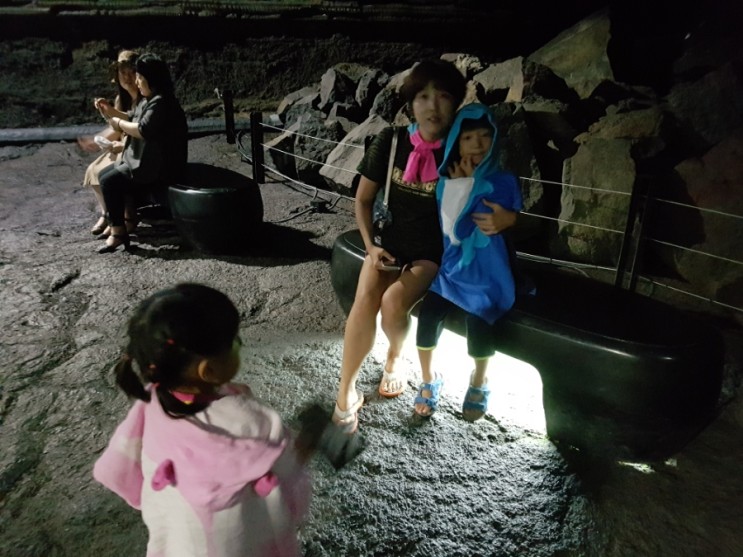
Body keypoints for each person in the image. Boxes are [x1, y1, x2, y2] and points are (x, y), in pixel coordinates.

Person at [332, 60, 517, 434]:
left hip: (434, 254)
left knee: (392, 303)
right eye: (423, 97)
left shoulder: (462, 148)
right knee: (365, 298)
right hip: (387, 243)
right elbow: (363, 200)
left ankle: (394, 358)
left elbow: (491, 193)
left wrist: (507, 218)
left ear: (456, 103)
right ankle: (345, 394)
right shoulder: (391, 142)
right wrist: (370, 247)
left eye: (444, 96)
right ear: (410, 104)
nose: (433, 106)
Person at [93, 283, 311, 557]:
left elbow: (120, 466)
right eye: (234, 340)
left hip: (183, 533)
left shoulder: (151, 401)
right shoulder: (252, 422)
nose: (240, 343)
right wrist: (310, 442)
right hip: (231, 541)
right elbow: (286, 467)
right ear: (208, 370)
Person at [414, 103, 523, 422]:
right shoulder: (444, 182)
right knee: (427, 317)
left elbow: (526, 225)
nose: (477, 144)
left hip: (489, 275)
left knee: (480, 320)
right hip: (452, 271)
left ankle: (479, 380)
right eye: (468, 137)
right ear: (456, 143)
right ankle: (429, 378)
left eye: (485, 136)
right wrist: (460, 188)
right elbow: (452, 230)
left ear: (495, 139)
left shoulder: (504, 181)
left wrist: (511, 219)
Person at [97, 52, 188, 253]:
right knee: (105, 175)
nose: (136, 82)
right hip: (150, 160)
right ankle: (121, 225)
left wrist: (118, 123)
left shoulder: (161, 103)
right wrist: (109, 112)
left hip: (161, 166)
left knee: (109, 181)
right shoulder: (150, 99)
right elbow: (132, 117)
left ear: (151, 79)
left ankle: (118, 232)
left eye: (139, 77)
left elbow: (142, 129)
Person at [77, 49, 141, 236]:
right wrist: (96, 140)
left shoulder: (144, 97)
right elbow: (117, 128)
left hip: (136, 148)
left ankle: (126, 218)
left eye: (132, 72)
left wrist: (120, 144)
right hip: (122, 144)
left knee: (111, 172)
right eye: (123, 73)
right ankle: (107, 214)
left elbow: (137, 126)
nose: (127, 78)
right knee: (93, 169)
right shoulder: (122, 98)